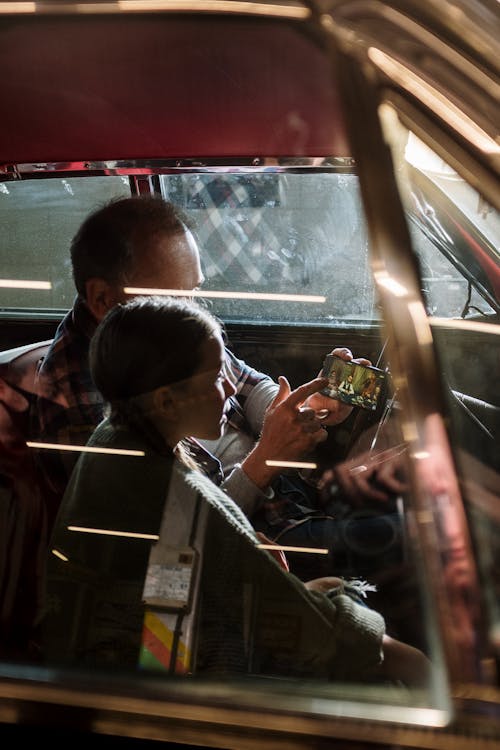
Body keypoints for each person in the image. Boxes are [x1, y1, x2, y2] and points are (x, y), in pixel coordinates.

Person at [41, 295, 431, 687]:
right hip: (148, 677)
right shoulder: (180, 494)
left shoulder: (115, 435)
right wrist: (410, 660)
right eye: (214, 378)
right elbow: (307, 622)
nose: (229, 386)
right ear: (166, 400)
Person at [33, 196, 363, 543]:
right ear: (102, 298)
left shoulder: (166, 332)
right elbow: (171, 544)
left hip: (286, 493)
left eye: (194, 291)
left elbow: (247, 384)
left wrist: (303, 409)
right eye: (173, 297)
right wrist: (265, 460)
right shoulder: (76, 402)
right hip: (253, 537)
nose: (190, 308)